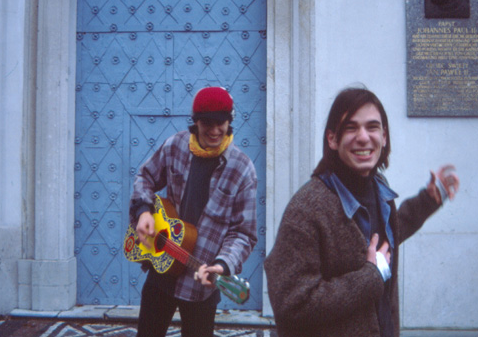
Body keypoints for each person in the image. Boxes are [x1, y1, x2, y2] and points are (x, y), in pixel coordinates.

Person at [264, 87, 460, 337]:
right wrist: (368, 278)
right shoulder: (306, 209)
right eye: (351, 128)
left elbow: (384, 241)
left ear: (384, 136)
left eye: (372, 127)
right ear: (332, 139)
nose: (364, 137)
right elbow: (292, 303)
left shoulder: (380, 188)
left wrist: (427, 201)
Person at [129, 86, 258, 337]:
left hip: (201, 284)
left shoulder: (243, 169)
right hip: (162, 267)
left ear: (230, 122)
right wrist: (144, 211)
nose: (214, 130)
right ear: (195, 121)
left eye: (221, 123)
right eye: (206, 123)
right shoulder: (175, 146)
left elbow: (243, 233)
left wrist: (222, 265)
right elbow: (144, 177)